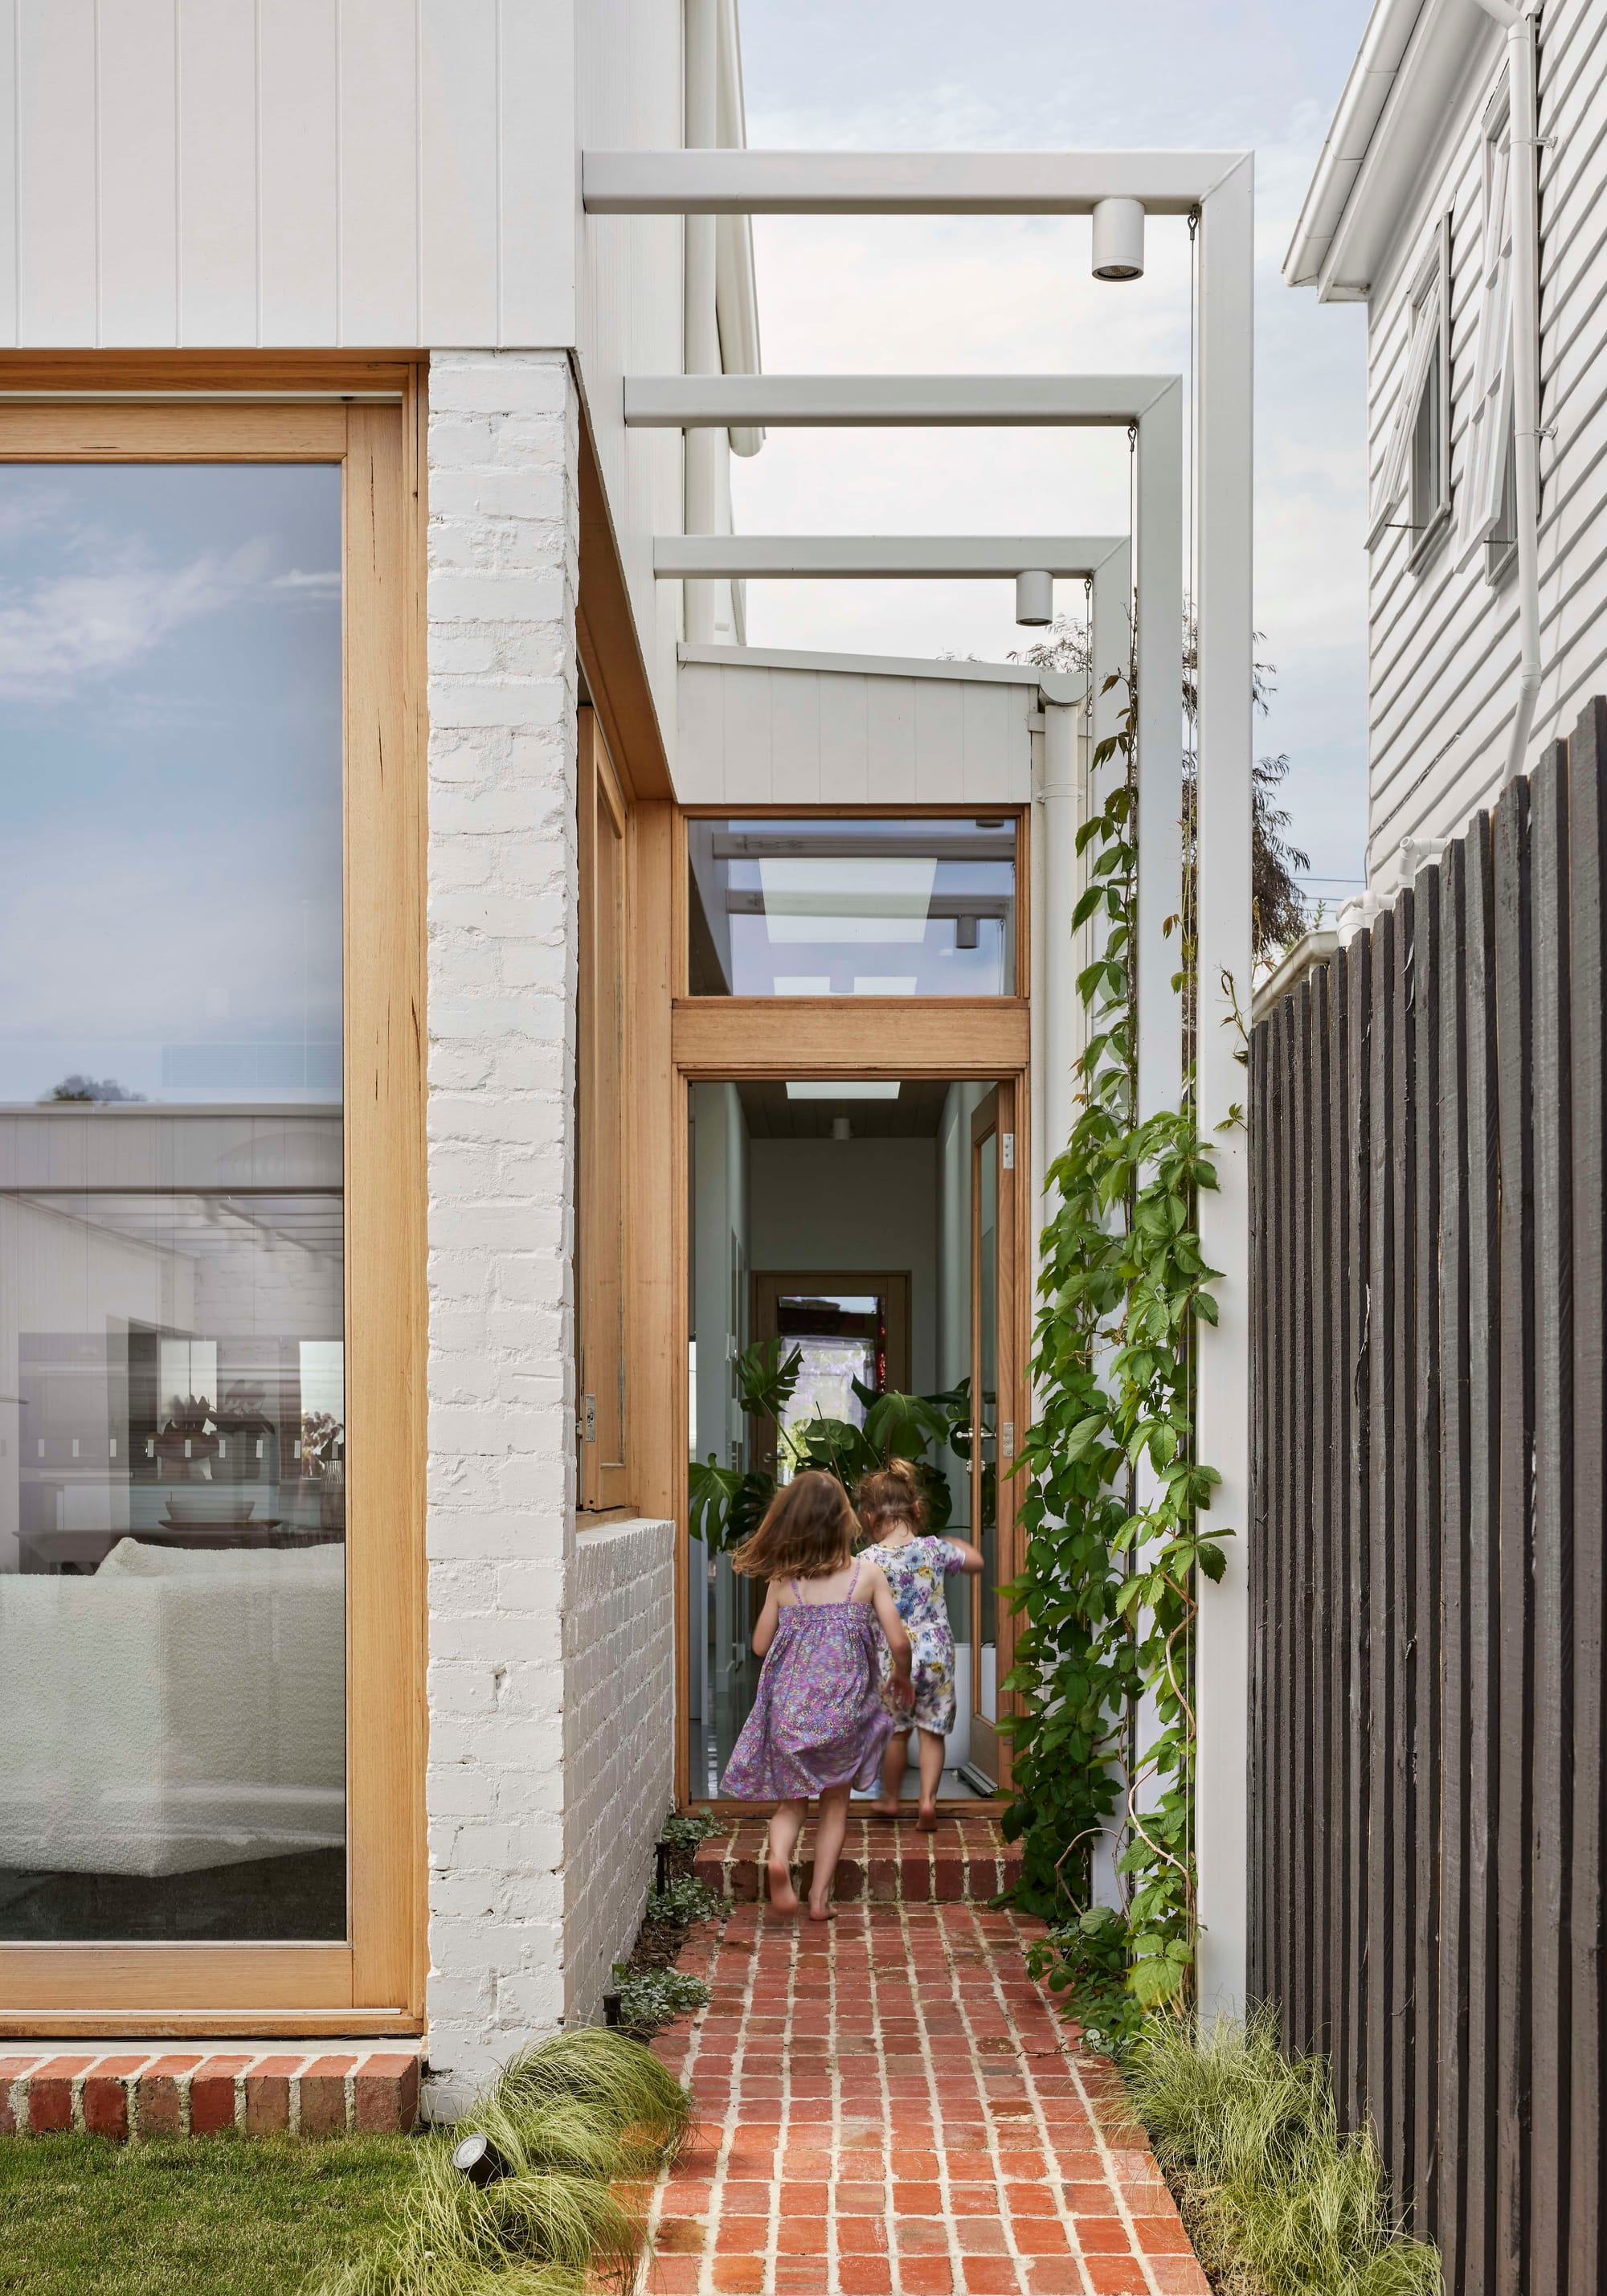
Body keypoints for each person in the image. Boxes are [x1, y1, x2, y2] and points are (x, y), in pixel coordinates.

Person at [722, 1468, 914, 1919]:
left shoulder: (784, 1582)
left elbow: (759, 1646)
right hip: (843, 1711)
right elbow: (899, 1641)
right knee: (835, 1802)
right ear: (844, 1519)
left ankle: (777, 1860)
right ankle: (819, 1900)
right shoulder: (867, 1574)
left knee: (792, 1803)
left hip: (790, 1711)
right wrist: (900, 1677)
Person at [855, 1458, 984, 1830]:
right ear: (916, 1509)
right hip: (937, 1656)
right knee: (932, 1731)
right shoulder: (934, 1549)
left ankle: (892, 1799)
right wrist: (954, 1545)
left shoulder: (868, 1561)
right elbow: (976, 1561)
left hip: (894, 1660)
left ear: (870, 1518)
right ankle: (928, 1802)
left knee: (898, 1733)